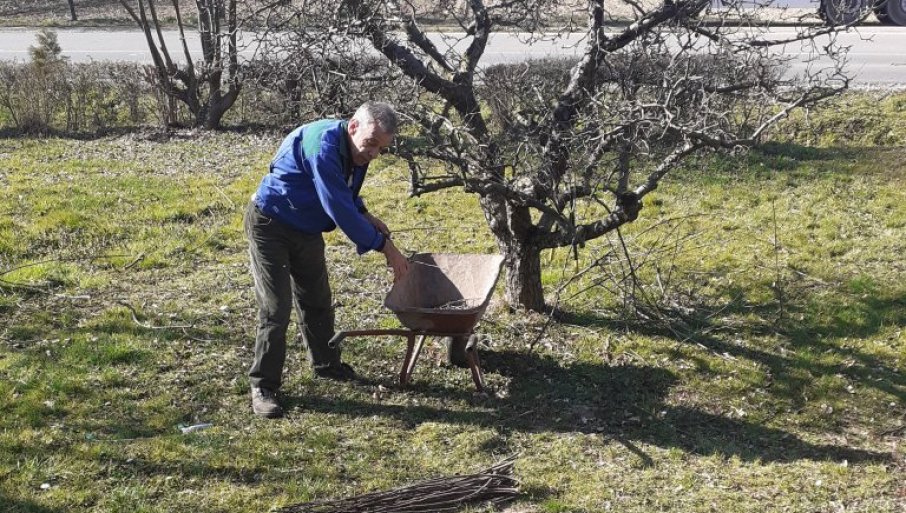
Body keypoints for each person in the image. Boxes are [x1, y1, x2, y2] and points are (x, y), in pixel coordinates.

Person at [244, 101, 410, 418]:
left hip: (306, 228)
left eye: (381, 149)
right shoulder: (323, 145)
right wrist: (386, 248)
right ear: (352, 126)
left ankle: (326, 364)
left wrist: (365, 212)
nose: (374, 154)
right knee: (276, 308)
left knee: (317, 298)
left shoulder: (356, 149)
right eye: (371, 144)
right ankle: (263, 385)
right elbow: (338, 206)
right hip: (271, 224)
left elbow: (344, 191)